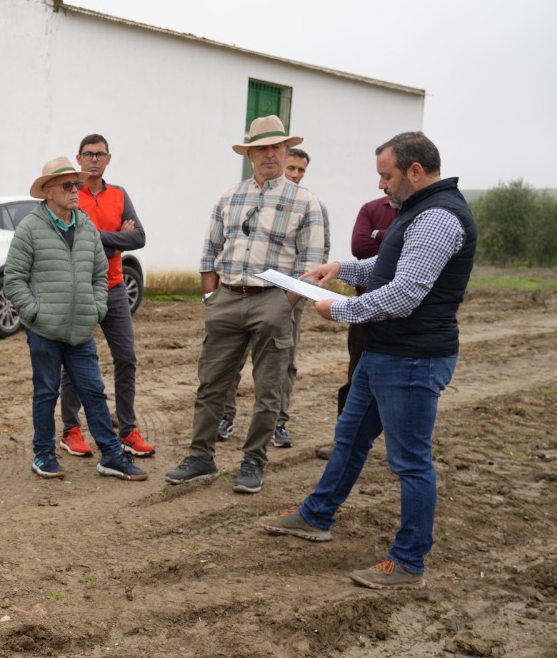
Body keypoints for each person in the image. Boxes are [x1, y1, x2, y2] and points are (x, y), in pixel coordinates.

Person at [263, 132, 475, 590]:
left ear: (415, 171)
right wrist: (339, 269)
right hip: (384, 353)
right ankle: (316, 515)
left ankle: (409, 562)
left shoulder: (439, 217)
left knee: (411, 462)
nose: (382, 185)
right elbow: (388, 268)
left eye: (387, 175)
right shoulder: (417, 212)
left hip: (414, 360)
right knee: (350, 439)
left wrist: (339, 309)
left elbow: (405, 293)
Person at [165, 115, 326, 495]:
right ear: (250, 154)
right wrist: (210, 295)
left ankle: (254, 461)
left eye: (276, 147)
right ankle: (200, 457)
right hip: (227, 298)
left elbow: (312, 263)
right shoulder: (229, 197)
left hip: (272, 301)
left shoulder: (306, 203)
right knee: (211, 384)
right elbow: (209, 251)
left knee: (268, 389)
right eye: (262, 148)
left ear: (286, 151)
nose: (270, 154)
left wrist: (284, 303)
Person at [3, 158, 149, 482]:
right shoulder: (30, 228)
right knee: (46, 392)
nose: (75, 191)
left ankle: (112, 455)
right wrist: (34, 313)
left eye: (77, 185)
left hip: (81, 328)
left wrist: (96, 308)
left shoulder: (85, 226)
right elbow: (13, 280)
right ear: (48, 192)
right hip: (44, 329)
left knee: (94, 391)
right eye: (68, 185)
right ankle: (43, 455)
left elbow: (101, 274)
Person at [54, 134, 154, 460]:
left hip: (114, 287)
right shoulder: (70, 193)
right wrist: (116, 238)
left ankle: (127, 430)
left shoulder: (119, 195)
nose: (94, 159)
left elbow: (138, 236)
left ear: (109, 159)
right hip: (78, 290)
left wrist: (97, 236)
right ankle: (71, 430)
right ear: (79, 159)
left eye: (100, 154)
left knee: (126, 358)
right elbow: (70, 238)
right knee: (73, 363)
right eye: (88, 154)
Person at [216, 146, 322, 449]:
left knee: (282, 364)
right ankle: (225, 415)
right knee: (232, 360)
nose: (295, 175)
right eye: (292, 168)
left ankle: (278, 422)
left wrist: (290, 299)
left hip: (286, 299)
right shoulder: (242, 198)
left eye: (301, 170)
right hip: (240, 295)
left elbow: (315, 257)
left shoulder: (311, 205)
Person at [317, 193, 394, 460]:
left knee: (402, 388)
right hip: (365, 310)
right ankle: (344, 442)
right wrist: (391, 240)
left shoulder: (425, 214)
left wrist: (380, 235)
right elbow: (360, 247)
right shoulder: (371, 208)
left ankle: (399, 448)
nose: (382, 184)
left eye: (387, 175)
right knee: (356, 377)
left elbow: (407, 254)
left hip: (406, 319)